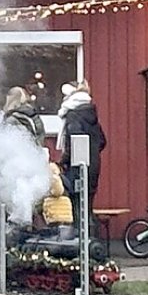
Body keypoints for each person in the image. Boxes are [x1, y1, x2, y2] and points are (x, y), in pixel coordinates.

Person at [56, 81, 107, 222]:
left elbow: (74, 143)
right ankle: (92, 240)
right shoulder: (91, 114)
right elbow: (102, 141)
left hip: (77, 167)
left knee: (75, 206)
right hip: (94, 166)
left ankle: (80, 241)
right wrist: (93, 153)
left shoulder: (73, 115)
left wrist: (62, 161)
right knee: (88, 207)